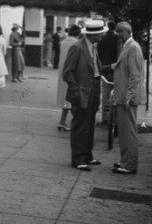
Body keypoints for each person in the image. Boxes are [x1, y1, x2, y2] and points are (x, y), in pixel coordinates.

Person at [62, 19, 107, 171]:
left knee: (89, 124)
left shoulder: (93, 47)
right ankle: (78, 159)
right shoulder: (77, 47)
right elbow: (67, 72)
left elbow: (97, 69)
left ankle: (87, 155)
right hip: (82, 91)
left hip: (93, 89)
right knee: (80, 125)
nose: (102, 36)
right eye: (101, 33)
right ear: (94, 35)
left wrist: (111, 67)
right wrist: (76, 90)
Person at [102, 21, 146, 175]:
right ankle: (125, 160)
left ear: (128, 32)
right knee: (124, 131)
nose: (118, 34)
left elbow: (135, 76)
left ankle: (129, 164)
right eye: (117, 31)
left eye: (120, 31)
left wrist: (128, 96)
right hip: (123, 96)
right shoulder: (128, 46)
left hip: (127, 98)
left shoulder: (132, 47)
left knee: (128, 132)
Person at [56, 24, 82, 131]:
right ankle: (71, 122)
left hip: (62, 73)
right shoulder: (76, 44)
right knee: (71, 99)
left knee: (66, 100)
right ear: (78, 33)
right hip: (71, 74)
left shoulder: (63, 42)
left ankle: (62, 121)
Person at [97, 20, 120, 125]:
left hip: (105, 69)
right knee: (116, 93)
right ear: (115, 28)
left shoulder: (102, 39)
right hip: (116, 68)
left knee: (105, 94)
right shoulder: (118, 39)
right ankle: (113, 118)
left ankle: (105, 118)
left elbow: (99, 54)